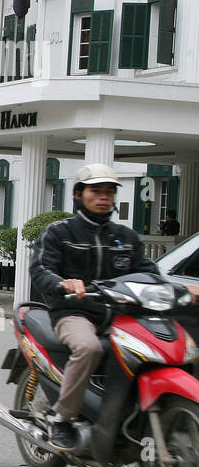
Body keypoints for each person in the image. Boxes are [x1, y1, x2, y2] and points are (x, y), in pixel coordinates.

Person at [30, 163, 157, 449]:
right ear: (78, 194)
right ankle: (62, 418)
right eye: (96, 191)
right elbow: (40, 269)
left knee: (156, 348)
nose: (104, 197)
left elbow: (149, 272)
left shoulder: (126, 237)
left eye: (109, 192)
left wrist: (180, 287)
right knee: (89, 347)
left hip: (121, 315)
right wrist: (64, 284)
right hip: (74, 312)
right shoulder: (59, 232)